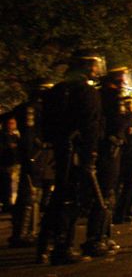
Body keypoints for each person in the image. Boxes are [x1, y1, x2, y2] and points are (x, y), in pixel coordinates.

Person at [36, 49, 105, 265]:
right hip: (77, 153)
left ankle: (43, 245)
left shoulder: (57, 90)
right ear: (86, 66)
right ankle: (64, 247)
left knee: (58, 197)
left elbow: (46, 124)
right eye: (94, 65)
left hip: (59, 150)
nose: (96, 69)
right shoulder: (86, 92)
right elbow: (90, 127)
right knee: (71, 199)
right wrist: (90, 155)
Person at [82, 62, 131, 257]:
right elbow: (116, 122)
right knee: (104, 194)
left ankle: (103, 235)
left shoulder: (102, 94)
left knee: (107, 194)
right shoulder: (111, 97)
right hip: (108, 151)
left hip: (108, 149)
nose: (124, 80)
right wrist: (128, 117)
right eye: (121, 76)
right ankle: (96, 238)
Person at [8, 79, 52, 248]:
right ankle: (21, 233)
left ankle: (29, 231)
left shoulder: (36, 109)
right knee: (28, 195)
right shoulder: (31, 109)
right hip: (34, 155)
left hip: (37, 155)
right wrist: (31, 155)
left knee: (34, 195)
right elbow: (29, 135)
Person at [0, 116, 17, 213]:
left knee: (8, 184)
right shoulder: (2, 136)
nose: (11, 126)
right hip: (4, 164)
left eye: (13, 123)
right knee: (6, 184)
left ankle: (7, 203)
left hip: (11, 164)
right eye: (10, 123)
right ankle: (6, 203)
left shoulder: (15, 136)